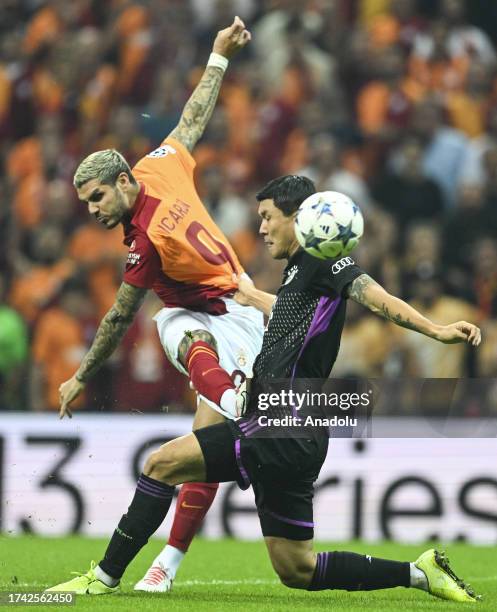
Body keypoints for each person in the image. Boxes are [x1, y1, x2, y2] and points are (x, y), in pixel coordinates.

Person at [47, 176, 481, 603]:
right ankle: (419, 574)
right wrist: (254, 298)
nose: (261, 228)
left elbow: (372, 295)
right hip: (297, 430)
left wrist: (435, 329)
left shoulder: (324, 259)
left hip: (281, 421)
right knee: (297, 569)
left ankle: (103, 578)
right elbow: (298, 317)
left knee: (160, 464)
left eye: (268, 217)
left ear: (299, 218)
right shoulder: (298, 274)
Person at [57, 17, 263, 592]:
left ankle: (231, 400)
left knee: (167, 324)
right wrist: (219, 55)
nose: (93, 210)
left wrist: (78, 377)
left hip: (236, 316)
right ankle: (165, 566)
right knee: (198, 421)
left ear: (122, 181)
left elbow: (119, 315)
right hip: (227, 308)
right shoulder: (161, 165)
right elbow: (193, 116)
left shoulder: (144, 242)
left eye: (98, 197)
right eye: (86, 203)